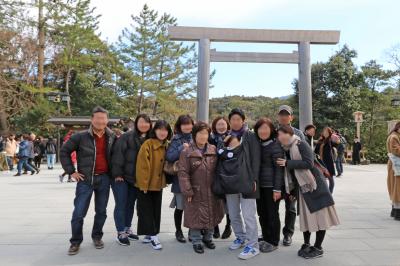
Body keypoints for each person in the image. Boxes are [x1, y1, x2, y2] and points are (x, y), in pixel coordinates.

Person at [276, 125, 340, 259]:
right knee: (306, 217)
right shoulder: (287, 148)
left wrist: (288, 163)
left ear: (290, 133)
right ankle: (306, 244)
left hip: (314, 185)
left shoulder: (300, 143)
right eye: (279, 135)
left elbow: (309, 163)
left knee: (321, 217)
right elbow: (292, 174)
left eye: (283, 134)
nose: (281, 137)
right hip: (302, 188)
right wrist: (292, 191)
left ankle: (318, 247)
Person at [60, 106, 116, 256]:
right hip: (85, 179)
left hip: (104, 178)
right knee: (78, 213)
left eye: (103, 118)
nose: (100, 121)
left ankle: (97, 237)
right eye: (97, 118)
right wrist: (72, 171)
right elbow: (64, 151)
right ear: (92, 119)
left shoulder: (112, 136)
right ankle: (75, 241)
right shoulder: (80, 136)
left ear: (107, 120)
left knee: (101, 211)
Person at [219, 108, 261, 260]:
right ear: (229, 121)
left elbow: (256, 159)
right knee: (233, 212)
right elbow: (221, 158)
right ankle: (240, 237)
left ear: (243, 120)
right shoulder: (226, 137)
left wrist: (254, 179)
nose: (235, 122)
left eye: (238, 119)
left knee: (249, 214)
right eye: (233, 119)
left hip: (247, 181)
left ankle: (253, 245)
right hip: (230, 181)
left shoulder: (250, 136)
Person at [178, 121, 224, 254]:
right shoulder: (186, 152)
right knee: (195, 215)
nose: (203, 136)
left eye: (206, 133)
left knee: (211, 213)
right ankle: (196, 240)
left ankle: (208, 238)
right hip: (195, 190)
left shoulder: (213, 149)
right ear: (194, 135)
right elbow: (183, 173)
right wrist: (188, 191)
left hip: (212, 189)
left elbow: (219, 169)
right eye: (200, 133)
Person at [111, 114, 152, 246]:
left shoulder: (150, 138)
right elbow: (118, 154)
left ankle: (127, 228)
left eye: (147, 123)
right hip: (121, 177)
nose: (144, 125)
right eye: (141, 122)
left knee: (130, 204)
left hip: (135, 179)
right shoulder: (126, 136)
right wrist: (117, 173)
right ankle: (120, 232)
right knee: (121, 204)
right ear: (136, 124)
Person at [135, 120, 172, 250]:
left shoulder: (168, 144)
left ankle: (150, 234)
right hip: (146, 184)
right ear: (154, 130)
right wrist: (144, 185)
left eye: (165, 130)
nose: (162, 132)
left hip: (158, 184)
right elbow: (142, 167)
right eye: (160, 129)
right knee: (145, 210)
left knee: (155, 210)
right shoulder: (148, 144)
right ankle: (153, 236)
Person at [254, 118, 284, 253]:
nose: (263, 131)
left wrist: (277, 189)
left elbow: (279, 169)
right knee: (262, 213)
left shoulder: (275, 144)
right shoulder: (259, 144)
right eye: (260, 128)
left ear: (271, 130)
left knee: (272, 214)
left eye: (266, 128)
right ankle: (266, 237)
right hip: (260, 186)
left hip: (271, 186)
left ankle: (274, 241)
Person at [276, 104, 305, 246]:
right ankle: (271, 232)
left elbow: (306, 156)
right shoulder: (272, 132)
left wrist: (289, 163)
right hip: (275, 177)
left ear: (291, 117)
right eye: (281, 114)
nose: (283, 116)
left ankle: (288, 233)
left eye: (286, 114)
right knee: (272, 208)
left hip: (292, 177)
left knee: (291, 207)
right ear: (277, 116)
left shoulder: (298, 134)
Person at [166, 114, 194, 243]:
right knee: (180, 207)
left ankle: (193, 231)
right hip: (180, 180)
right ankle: (178, 231)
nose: (187, 126)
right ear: (179, 126)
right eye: (184, 124)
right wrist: (181, 148)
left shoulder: (196, 136)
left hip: (195, 178)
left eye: (189, 123)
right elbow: (170, 157)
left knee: (193, 207)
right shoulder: (176, 139)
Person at [209, 116, 232, 239]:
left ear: (227, 125)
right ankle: (215, 227)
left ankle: (229, 226)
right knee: (215, 202)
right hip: (213, 174)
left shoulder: (232, 138)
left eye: (223, 124)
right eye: (219, 124)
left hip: (228, 174)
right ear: (214, 126)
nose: (221, 127)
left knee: (229, 202)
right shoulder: (210, 139)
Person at [314, 127, 336, 193]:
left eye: (327, 131)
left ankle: (330, 193)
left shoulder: (330, 140)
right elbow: (315, 151)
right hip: (320, 163)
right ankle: (324, 194)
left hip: (328, 162)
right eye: (324, 131)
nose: (325, 132)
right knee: (321, 179)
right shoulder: (320, 140)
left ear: (329, 133)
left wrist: (332, 137)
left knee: (330, 179)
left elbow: (336, 143)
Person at [387, 122, 400, 220]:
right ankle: (397, 212)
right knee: (397, 188)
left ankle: (395, 210)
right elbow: (396, 150)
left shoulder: (395, 135)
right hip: (396, 166)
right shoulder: (394, 137)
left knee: (396, 187)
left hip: (395, 165)